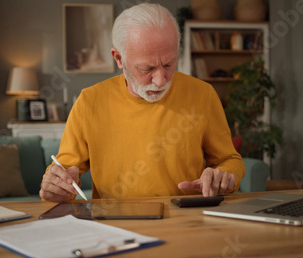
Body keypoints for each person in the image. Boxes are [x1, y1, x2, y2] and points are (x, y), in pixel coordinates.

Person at [40, 3, 245, 203]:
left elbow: (229, 160)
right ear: (119, 58)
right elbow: (64, 168)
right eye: (147, 69)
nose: (161, 80)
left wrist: (225, 175)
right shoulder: (89, 102)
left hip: (186, 218)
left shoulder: (203, 94)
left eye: (168, 64)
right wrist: (57, 185)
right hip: (114, 222)